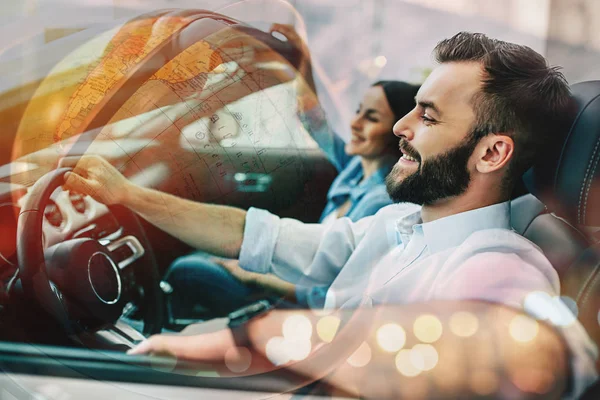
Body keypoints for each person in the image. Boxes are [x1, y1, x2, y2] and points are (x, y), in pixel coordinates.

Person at [60, 32, 598, 399]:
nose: (400, 127)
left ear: (491, 154)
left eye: (427, 115)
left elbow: (498, 352)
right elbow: (265, 237)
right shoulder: (399, 225)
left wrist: (237, 346)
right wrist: (129, 195)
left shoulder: (498, 265)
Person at [164, 24, 419, 318]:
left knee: (187, 270)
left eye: (371, 117)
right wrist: (302, 63)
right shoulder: (354, 170)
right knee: (201, 259)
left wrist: (253, 275)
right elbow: (314, 119)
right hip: (292, 280)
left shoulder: (382, 201)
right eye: (358, 110)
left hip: (302, 309)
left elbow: (329, 293)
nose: (354, 123)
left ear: (397, 131)